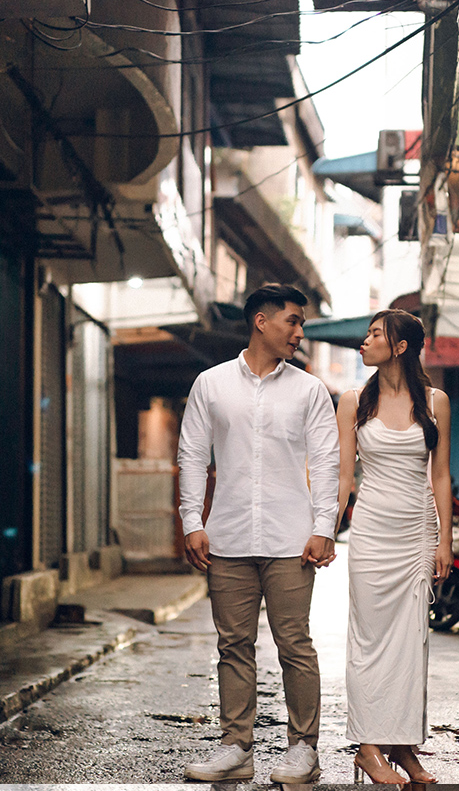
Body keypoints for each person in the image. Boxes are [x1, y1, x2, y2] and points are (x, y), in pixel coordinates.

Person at [177, 283, 341, 784]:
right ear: (261, 322)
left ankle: (303, 750)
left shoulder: (309, 390)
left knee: (295, 644)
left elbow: (328, 462)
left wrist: (323, 527)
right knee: (233, 645)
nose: (299, 332)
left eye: (302, 324)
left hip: (291, 539)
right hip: (226, 537)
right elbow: (191, 454)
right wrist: (192, 521)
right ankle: (235, 747)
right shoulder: (211, 383)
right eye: (292, 321)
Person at [336, 309, 453, 786]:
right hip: (370, 533)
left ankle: (403, 746)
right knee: (367, 642)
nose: (364, 342)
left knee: (411, 645)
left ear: (400, 346)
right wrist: (325, 530)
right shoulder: (352, 402)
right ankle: (368, 747)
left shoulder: (435, 401)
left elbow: (440, 474)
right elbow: (345, 478)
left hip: (416, 534)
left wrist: (444, 539)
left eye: (375, 334)